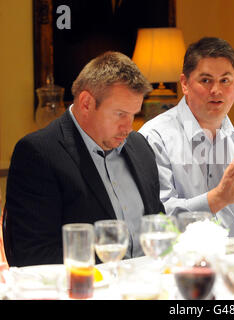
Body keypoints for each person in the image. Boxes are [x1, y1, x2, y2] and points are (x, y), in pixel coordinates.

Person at [4, 51, 165, 267]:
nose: (128, 127)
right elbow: (34, 255)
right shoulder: (38, 154)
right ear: (87, 103)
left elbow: (159, 225)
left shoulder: (139, 146)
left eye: (133, 114)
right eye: (120, 114)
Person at [139, 37, 234, 236]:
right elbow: (156, 219)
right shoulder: (155, 138)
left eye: (225, 80)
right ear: (184, 83)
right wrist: (216, 199)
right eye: (206, 80)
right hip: (178, 261)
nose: (216, 90)